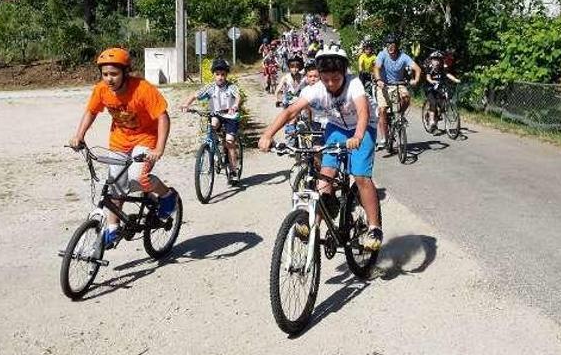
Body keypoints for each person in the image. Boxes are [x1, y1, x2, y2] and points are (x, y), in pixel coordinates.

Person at [258, 45, 383, 251]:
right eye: (326, 79)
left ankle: (374, 227)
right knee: (325, 175)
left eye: (336, 79)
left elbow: (363, 113)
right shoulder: (316, 89)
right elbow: (290, 112)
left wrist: (359, 136)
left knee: (360, 176)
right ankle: (313, 222)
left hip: (363, 127)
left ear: (344, 73)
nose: (331, 84)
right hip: (337, 127)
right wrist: (267, 134)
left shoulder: (354, 84)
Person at [69, 48, 179, 247]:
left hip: (146, 138)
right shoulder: (101, 90)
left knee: (137, 178)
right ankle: (112, 229)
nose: (109, 79)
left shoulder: (143, 89)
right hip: (119, 141)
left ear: (125, 72)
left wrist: (159, 148)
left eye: (114, 74)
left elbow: (163, 117)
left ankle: (167, 195)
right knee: (116, 185)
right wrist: (79, 136)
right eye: (105, 74)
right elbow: (91, 112)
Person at [180, 58, 243, 184]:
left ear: (226, 75)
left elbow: (238, 97)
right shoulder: (210, 87)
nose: (220, 77)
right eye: (217, 74)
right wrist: (186, 105)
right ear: (214, 75)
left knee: (230, 141)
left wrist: (235, 106)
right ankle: (213, 149)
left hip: (230, 116)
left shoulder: (231, 87)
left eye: (223, 74)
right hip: (217, 115)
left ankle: (233, 170)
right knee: (212, 125)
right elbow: (195, 95)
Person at [373, 34, 422, 150]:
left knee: (406, 97)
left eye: (392, 44)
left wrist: (416, 79)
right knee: (382, 109)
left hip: (399, 83)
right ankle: (384, 137)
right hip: (384, 85)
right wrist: (379, 80)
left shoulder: (403, 56)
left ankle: (400, 114)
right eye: (388, 44)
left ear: (397, 46)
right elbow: (376, 68)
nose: (390, 47)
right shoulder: (382, 54)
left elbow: (417, 69)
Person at [424, 50, 461, 130]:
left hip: (438, 88)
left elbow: (448, 74)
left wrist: (455, 80)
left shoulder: (442, 69)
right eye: (435, 60)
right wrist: (432, 81)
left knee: (442, 102)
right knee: (433, 103)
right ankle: (431, 121)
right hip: (430, 88)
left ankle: (437, 118)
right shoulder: (430, 68)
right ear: (431, 60)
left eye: (439, 60)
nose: (437, 62)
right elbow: (428, 77)